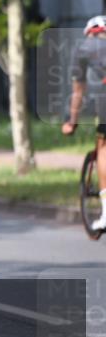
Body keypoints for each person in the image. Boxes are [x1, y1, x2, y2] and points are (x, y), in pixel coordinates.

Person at [62, 15, 106, 231]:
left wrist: (72, 121)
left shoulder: (84, 48)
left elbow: (78, 91)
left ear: (90, 32)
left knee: (104, 148)